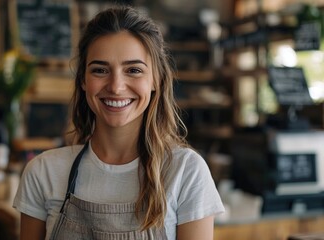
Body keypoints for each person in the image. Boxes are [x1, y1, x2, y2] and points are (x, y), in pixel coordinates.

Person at [13, 5, 225, 240]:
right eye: (100, 70)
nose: (115, 86)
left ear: (156, 80)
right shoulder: (43, 172)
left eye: (133, 70)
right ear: (83, 80)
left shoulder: (186, 172)